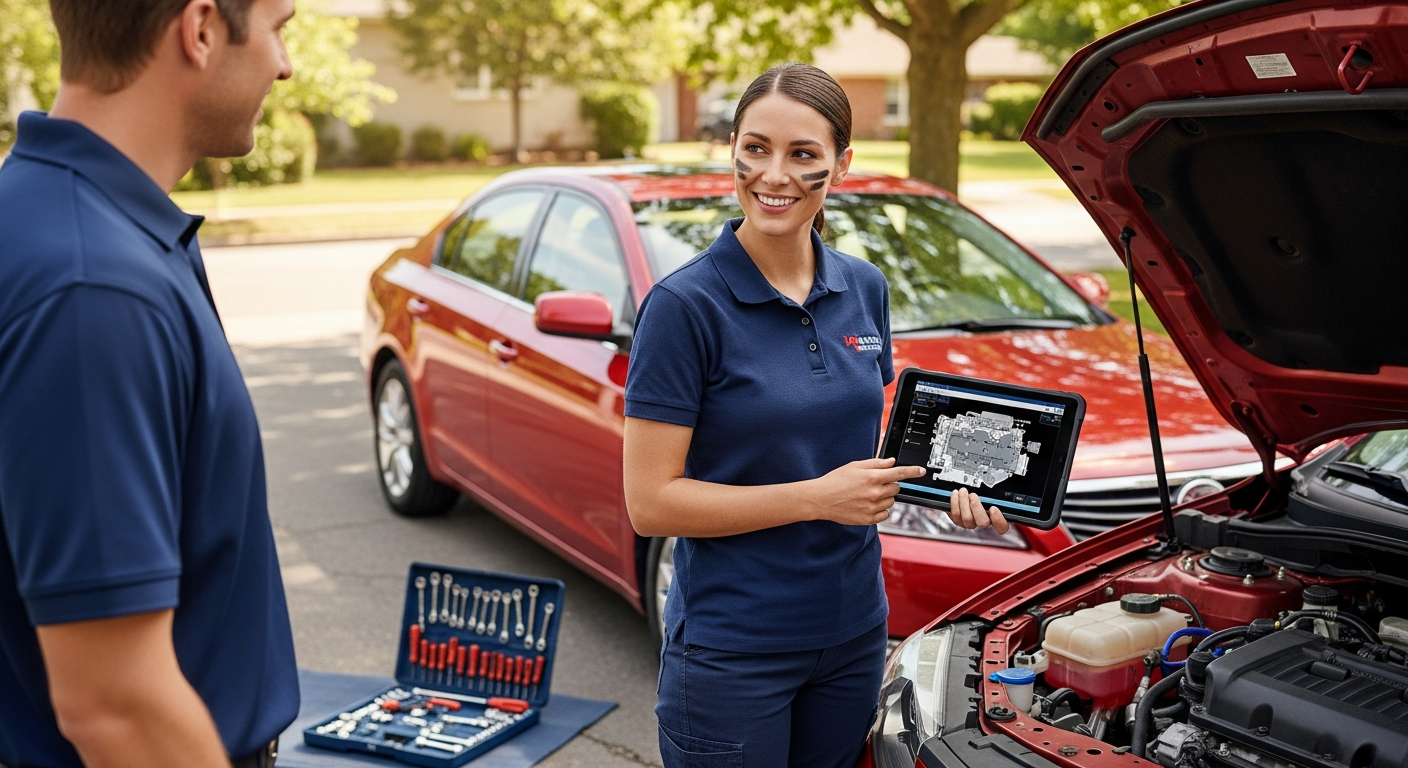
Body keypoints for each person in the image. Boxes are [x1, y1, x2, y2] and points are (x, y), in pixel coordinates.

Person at [623, 63, 1008, 768]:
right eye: (756, 148)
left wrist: (963, 489)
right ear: (731, 148)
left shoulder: (864, 286)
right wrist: (816, 499)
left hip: (854, 635)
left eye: (803, 155)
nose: (774, 175)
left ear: (842, 164)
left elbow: (865, 450)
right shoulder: (683, 308)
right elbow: (651, 502)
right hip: (734, 649)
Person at [0, 0, 298, 765]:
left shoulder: (58, 221)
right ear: (200, 30)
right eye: (279, 28)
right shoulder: (93, 285)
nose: (285, 64)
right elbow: (115, 703)